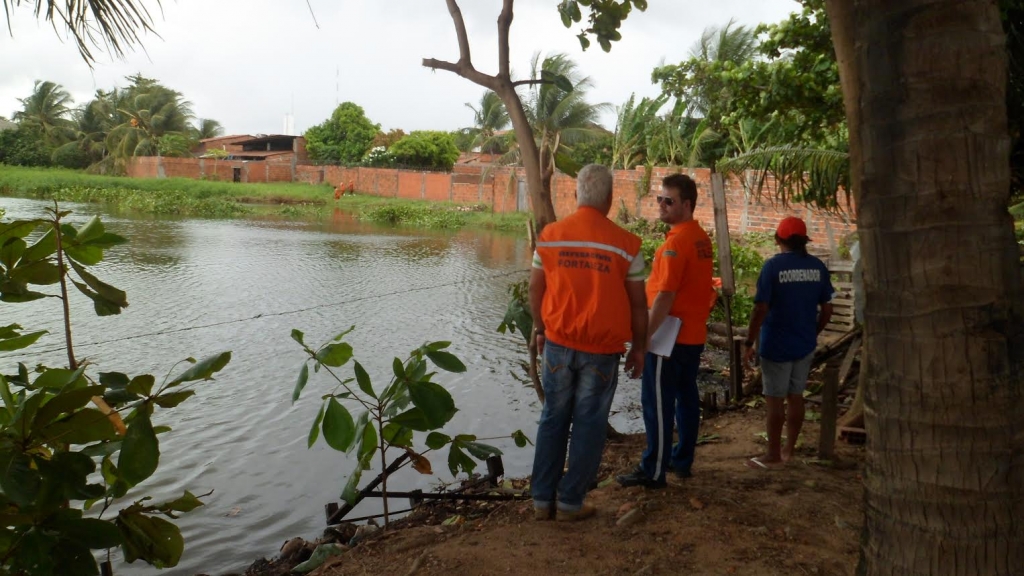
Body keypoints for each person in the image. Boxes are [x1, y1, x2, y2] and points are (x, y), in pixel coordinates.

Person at [530, 164, 648, 521]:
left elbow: (536, 288)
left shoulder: (551, 236)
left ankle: (540, 501)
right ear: (610, 199)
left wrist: (539, 329)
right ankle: (570, 503)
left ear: (577, 194)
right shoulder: (627, 245)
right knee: (588, 423)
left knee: (552, 417)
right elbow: (639, 304)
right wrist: (640, 347)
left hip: (558, 345)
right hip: (601, 352)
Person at [617, 173, 714, 489]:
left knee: (656, 402)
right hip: (692, 335)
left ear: (686, 204)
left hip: (669, 339)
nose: (661, 205)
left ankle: (653, 470)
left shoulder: (676, 245)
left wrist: (643, 341)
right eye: (659, 198)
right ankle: (681, 459)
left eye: (668, 201)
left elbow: (665, 296)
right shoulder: (700, 238)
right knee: (686, 398)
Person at [743, 216, 834, 469]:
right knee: (796, 397)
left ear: (778, 239)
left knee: (774, 400)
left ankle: (772, 454)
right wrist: (813, 333)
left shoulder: (772, 267)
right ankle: (788, 451)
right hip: (804, 344)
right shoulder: (817, 267)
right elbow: (827, 309)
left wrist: (749, 341)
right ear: (804, 241)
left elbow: (760, 308)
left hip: (776, 344)